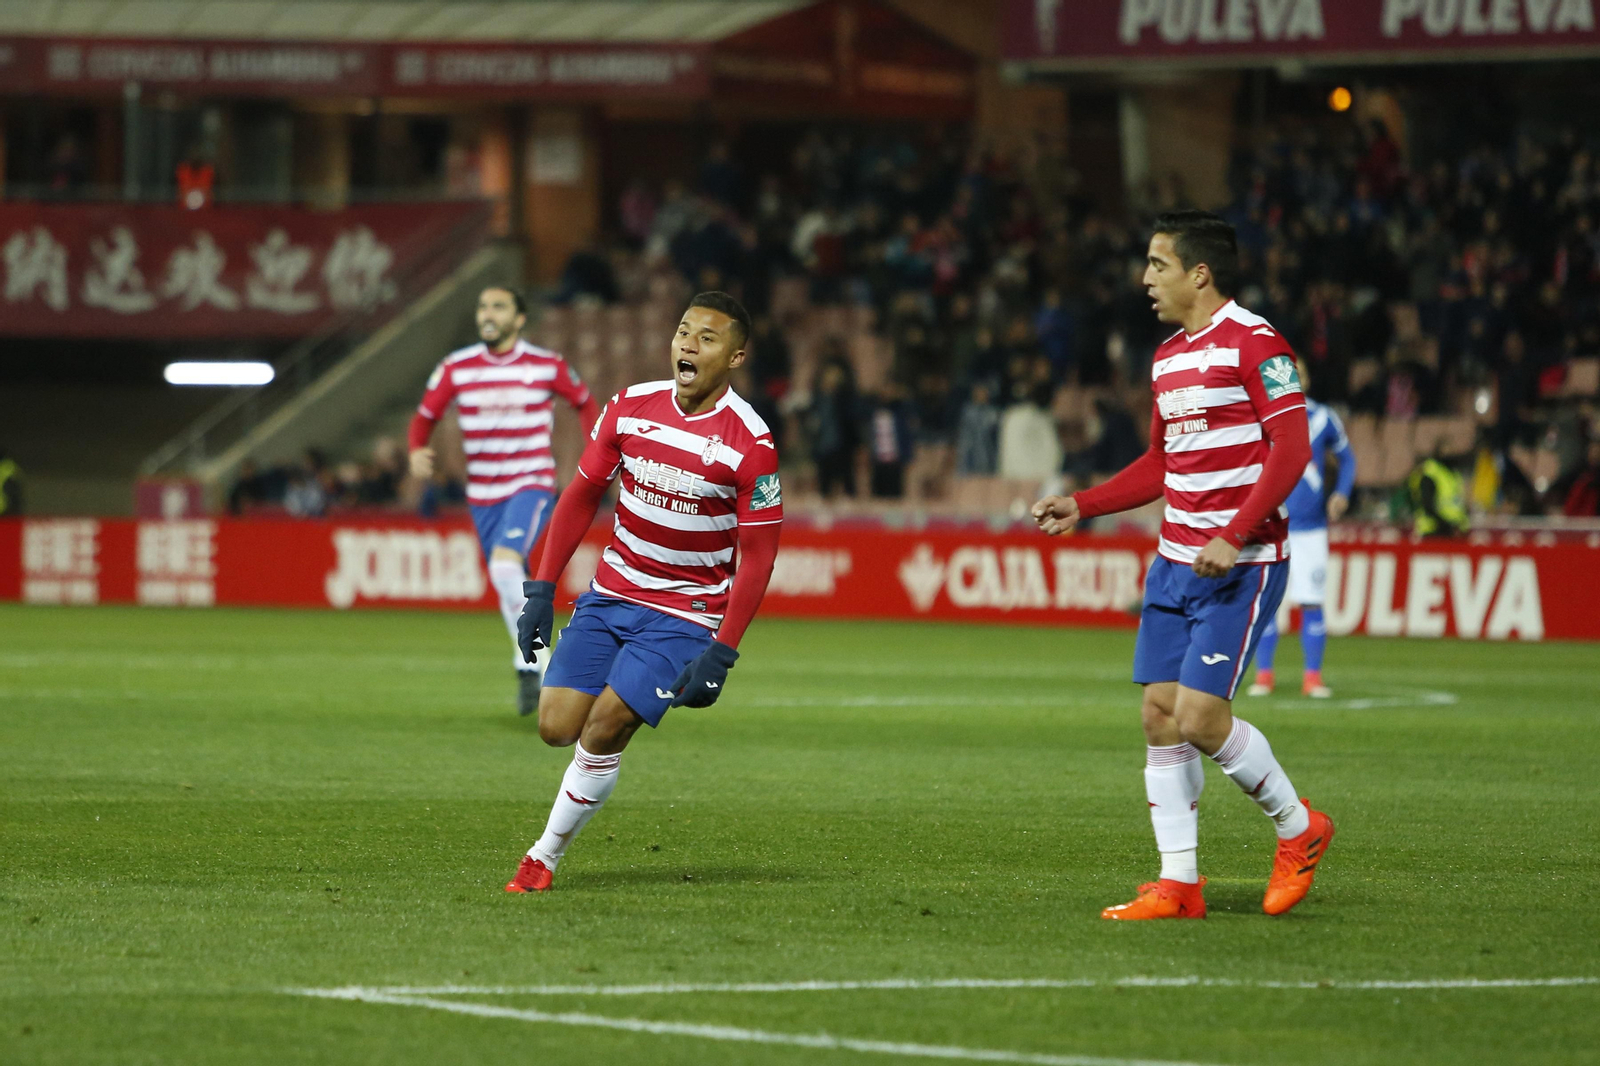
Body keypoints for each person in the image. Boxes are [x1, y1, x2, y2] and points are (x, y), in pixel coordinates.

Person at [1031, 210, 1331, 921]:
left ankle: (1300, 828)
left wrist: (1233, 532)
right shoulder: (1168, 357)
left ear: (1200, 273)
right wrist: (1086, 502)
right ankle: (1179, 883)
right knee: (1160, 716)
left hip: (1241, 562)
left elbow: (1291, 451)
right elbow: (1163, 462)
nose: (1145, 279)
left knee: (1201, 717)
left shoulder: (1259, 346)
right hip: (1173, 563)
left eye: (1157, 265)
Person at [504, 292, 782, 893]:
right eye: (684, 331)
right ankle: (584, 783)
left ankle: (542, 857)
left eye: (707, 338)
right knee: (556, 727)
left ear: (735, 357)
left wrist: (723, 652)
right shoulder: (629, 408)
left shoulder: (753, 445)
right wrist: (541, 590)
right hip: (609, 596)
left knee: (603, 728)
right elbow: (579, 496)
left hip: (684, 614)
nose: (689, 344)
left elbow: (759, 557)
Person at [409, 286, 599, 716]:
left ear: (518, 319)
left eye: (498, 306)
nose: (487, 313)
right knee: (508, 576)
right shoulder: (456, 367)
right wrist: (416, 448)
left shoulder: (545, 366)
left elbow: (585, 403)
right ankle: (526, 666)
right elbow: (424, 417)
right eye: (482, 306)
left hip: (530, 483)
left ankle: (539, 665)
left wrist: (594, 450)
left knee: (502, 564)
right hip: (482, 495)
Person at [1248, 360, 1357, 699]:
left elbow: (1348, 459)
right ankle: (1264, 675)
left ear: (1307, 379)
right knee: (1267, 602)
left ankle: (1312, 677)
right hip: (1271, 525)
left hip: (1310, 529)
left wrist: (1341, 492)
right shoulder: (1262, 418)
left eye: (1299, 374)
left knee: (1311, 601)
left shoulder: (1324, 418)